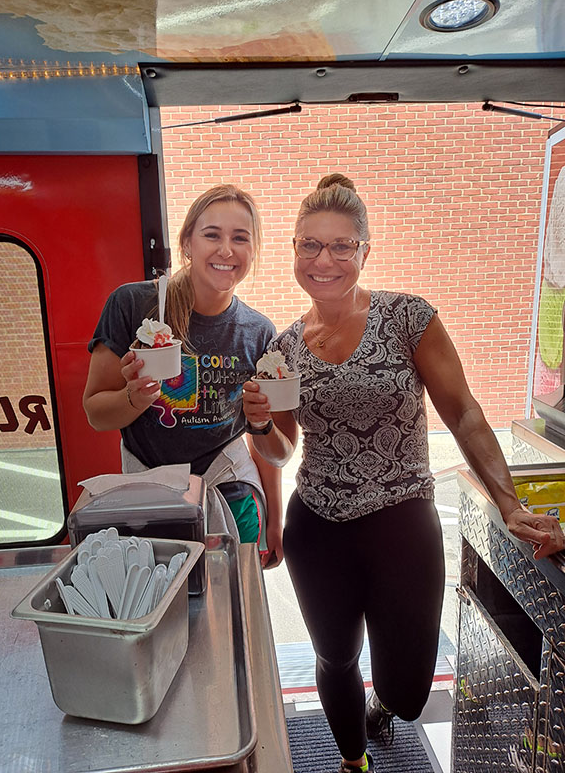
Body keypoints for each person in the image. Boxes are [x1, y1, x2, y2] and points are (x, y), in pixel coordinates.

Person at [242, 173, 565, 772]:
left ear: (365, 251)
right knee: (335, 658)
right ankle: (353, 760)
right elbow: (284, 449)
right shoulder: (283, 348)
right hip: (321, 525)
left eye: (342, 245)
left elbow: (464, 413)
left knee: (409, 690)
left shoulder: (407, 319)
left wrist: (508, 501)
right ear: (293, 251)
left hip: (404, 526)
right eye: (310, 244)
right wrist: (260, 426)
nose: (325, 259)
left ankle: (385, 706)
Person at [83, 184, 283, 568]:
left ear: (252, 251)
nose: (226, 250)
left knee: (232, 608)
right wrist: (134, 397)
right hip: (151, 495)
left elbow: (260, 433)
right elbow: (95, 412)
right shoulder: (132, 305)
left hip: (232, 491)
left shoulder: (258, 332)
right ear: (187, 244)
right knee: (165, 605)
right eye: (212, 235)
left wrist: (276, 517)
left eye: (240, 238)